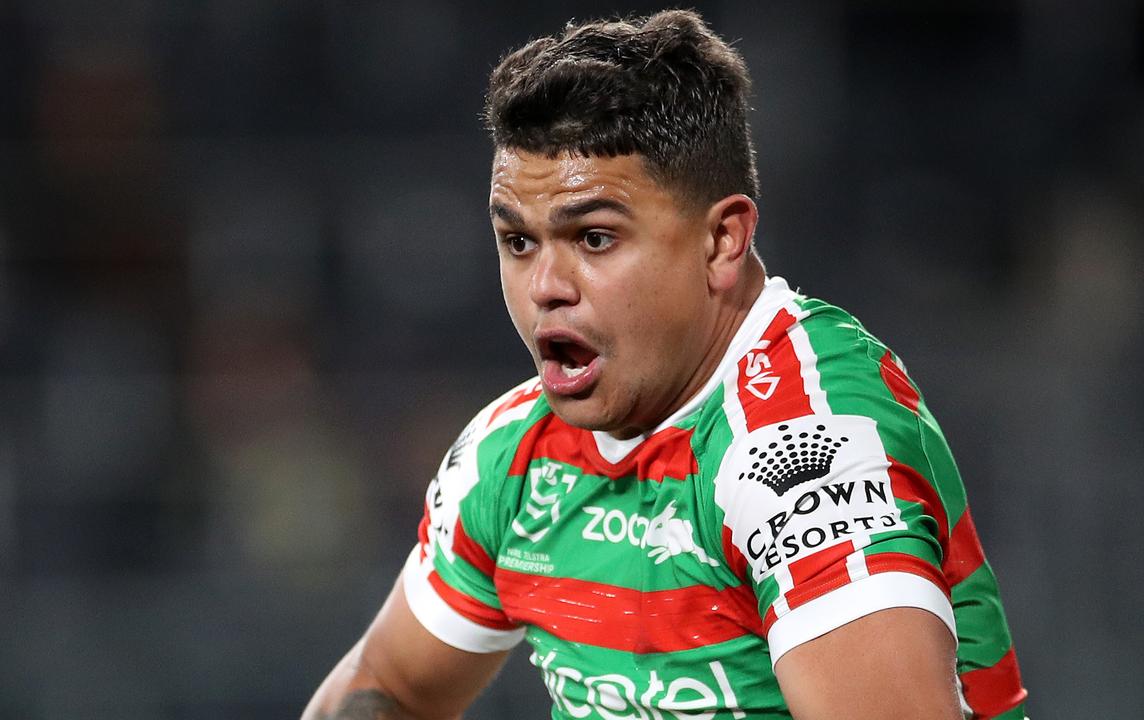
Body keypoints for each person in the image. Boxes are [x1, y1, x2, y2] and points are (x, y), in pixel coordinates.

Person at [303, 9, 1028, 720]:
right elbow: (389, 689)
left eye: (592, 238)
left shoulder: (805, 448)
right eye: (518, 242)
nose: (545, 287)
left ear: (722, 241)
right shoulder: (512, 459)